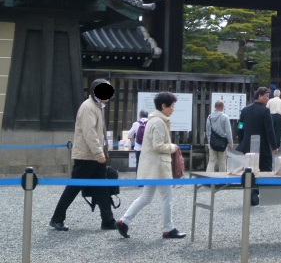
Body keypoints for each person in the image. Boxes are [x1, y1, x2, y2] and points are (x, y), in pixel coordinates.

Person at [50, 79, 118, 231]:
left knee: (101, 188)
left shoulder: (96, 106)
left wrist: (101, 152)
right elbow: (89, 133)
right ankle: (57, 218)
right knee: (74, 188)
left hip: (93, 155)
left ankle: (108, 220)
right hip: (87, 156)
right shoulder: (89, 107)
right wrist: (99, 152)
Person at [116, 92, 186, 239]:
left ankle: (124, 221)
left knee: (146, 197)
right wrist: (173, 147)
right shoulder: (159, 122)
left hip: (152, 166)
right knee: (167, 198)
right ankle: (168, 228)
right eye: (172, 106)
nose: (173, 109)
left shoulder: (154, 120)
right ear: (164, 106)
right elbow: (158, 146)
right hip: (159, 167)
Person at [237, 87, 280, 205]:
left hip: (247, 145)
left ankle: (251, 192)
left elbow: (240, 126)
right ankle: (263, 194)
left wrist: (241, 141)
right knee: (265, 169)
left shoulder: (245, 110)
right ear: (259, 96)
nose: (268, 99)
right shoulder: (265, 111)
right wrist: (274, 146)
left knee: (250, 170)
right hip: (262, 146)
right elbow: (269, 130)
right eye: (266, 96)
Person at [205, 100, 234, 172]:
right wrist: (231, 143)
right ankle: (222, 178)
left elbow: (208, 131)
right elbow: (228, 131)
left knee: (211, 161)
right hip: (222, 143)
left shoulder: (209, 117)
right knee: (222, 162)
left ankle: (208, 177)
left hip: (212, 142)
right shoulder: (225, 117)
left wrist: (209, 141)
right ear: (222, 107)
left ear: (215, 107)